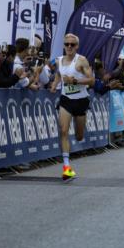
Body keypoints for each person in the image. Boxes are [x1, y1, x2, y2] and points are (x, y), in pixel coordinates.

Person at [51, 33, 94, 181]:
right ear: (64, 45)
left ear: (77, 46)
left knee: (79, 136)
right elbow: (59, 74)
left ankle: (79, 135)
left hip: (81, 100)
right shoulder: (59, 60)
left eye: (72, 45)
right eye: (67, 44)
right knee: (63, 131)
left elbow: (92, 81)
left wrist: (75, 81)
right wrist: (55, 84)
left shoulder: (81, 61)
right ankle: (67, 167)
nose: (69, 47)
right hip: (66, 100)